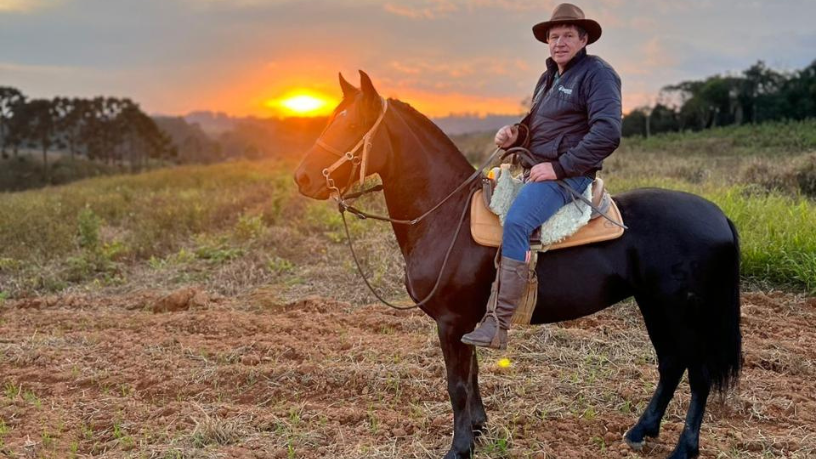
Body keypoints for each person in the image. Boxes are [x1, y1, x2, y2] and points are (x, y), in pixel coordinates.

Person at [461, 3, 622, 349]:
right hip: (537, 168)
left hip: (567, 176)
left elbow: (607, 133)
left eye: (567, 36)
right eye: (553, 36)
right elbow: (536, 127)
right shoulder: (548, 77)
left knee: (517, 221)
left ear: (583, 39)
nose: (559, 42)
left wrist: (560, 167)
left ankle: (498, 324)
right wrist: (515, 134)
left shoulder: (597, 74)